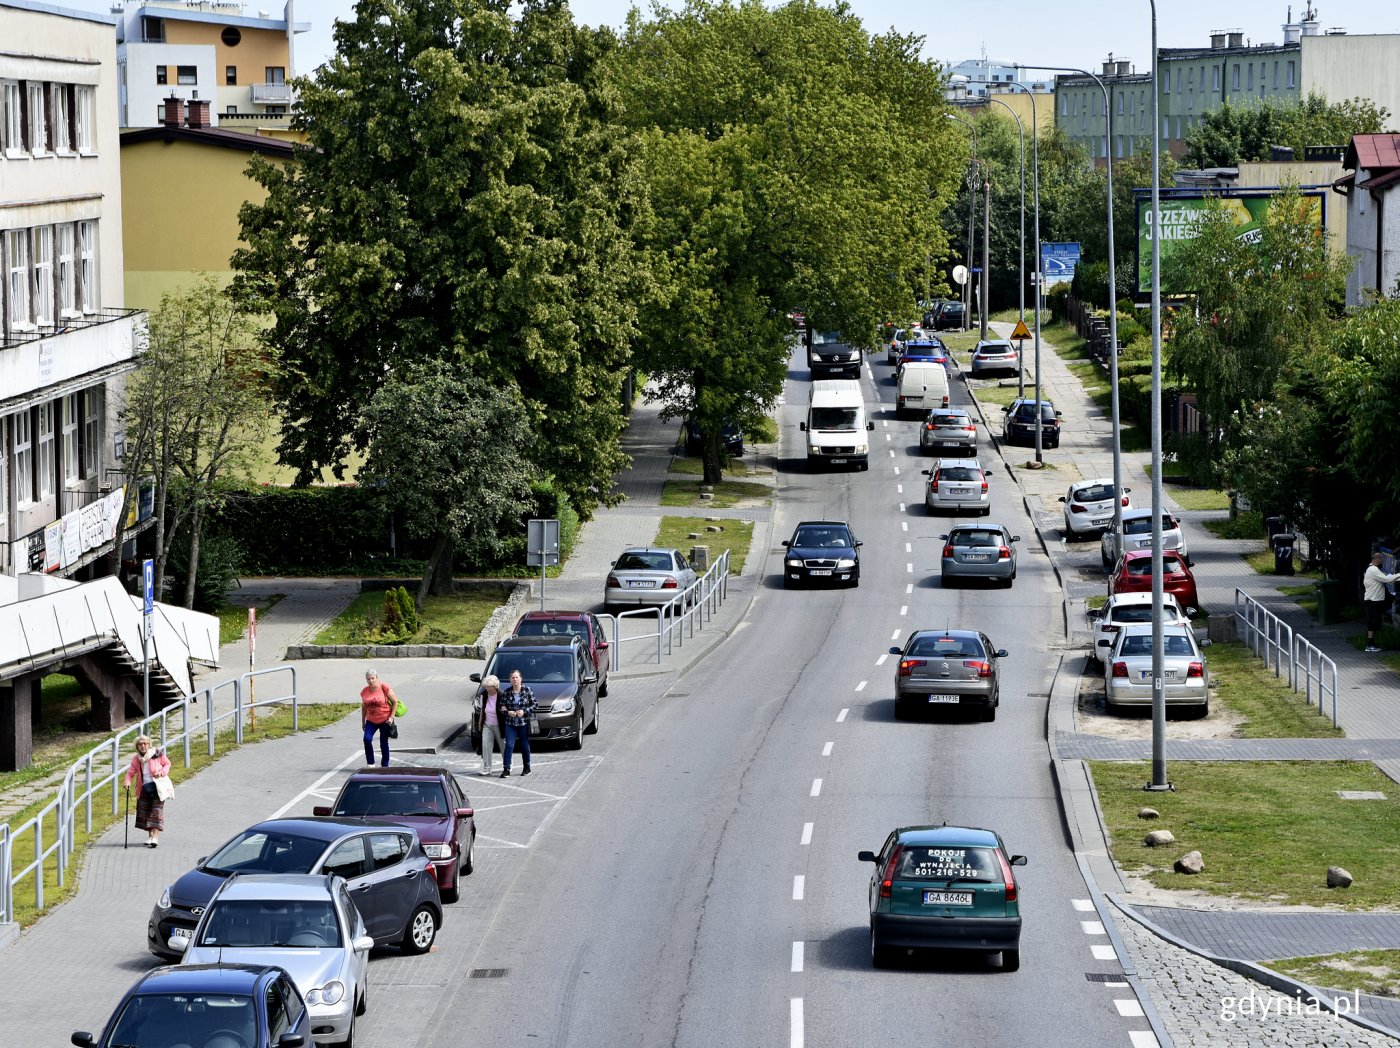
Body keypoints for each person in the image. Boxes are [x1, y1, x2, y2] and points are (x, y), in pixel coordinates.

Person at [123, 735, 172, 848]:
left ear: (149, 744)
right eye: (140, 744)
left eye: (145, 743)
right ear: (137, 746)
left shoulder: (157, 754)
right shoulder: (136, 759)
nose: (143, 746)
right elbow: (130, 773)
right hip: (144, 788)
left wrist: (161, 773)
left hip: (158, 787)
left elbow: (167, 764)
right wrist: (127, 782)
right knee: (145, 813)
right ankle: (150, 836)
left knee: (156, 811)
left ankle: (155, 838)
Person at [498, 669, 533, 778]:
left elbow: (535, 705)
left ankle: (527, 767)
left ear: (521, 679)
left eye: (517, 677)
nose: (515, 679)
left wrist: (524, 711)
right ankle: (506, 769)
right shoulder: (507, 692)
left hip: (523, 723)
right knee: (509, 745)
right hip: (510, 723)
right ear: (510, 680)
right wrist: (508, 712)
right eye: (513, 678)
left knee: (524, 746)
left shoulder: (527, 690)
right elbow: (501, 706)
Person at [360, 669, 399, 766]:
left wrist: (391, 717)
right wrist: (363, 722)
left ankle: (385, 765)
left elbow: (395, 702)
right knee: (367, 739)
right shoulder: (365, 691)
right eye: (368, 679)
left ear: (377, 678)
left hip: (384, 720)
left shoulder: (384, 687)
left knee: (383, 743)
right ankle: (370, 764)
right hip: (371, 720)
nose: (371, 681)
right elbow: (364, 707)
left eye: (373, 678)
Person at [1362, 553, 1400, 652]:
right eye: (1381, 560)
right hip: (1373, 600)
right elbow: (1387, 579)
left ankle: (1371, 643)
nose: (1382, 562)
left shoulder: (1371, 569)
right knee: (1372, 623)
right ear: (1377, 559)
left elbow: (1388, 578)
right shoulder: (1373, 569)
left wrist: (1397, 577)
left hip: (1374, 600)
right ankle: (1370, 644)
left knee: (1373, 622)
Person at [477, 674, 505, 777]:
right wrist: (480, 723)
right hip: (487, 724)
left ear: (495, 686)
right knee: (486, 746)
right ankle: (487, 768)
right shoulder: (483, 695)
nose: (488, 689)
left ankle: (507, 765)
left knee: (503, 746)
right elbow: (482, 710)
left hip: (499, 725)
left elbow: (505, 711)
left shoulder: (502, 695)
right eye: (486, 687)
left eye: (490, 687)